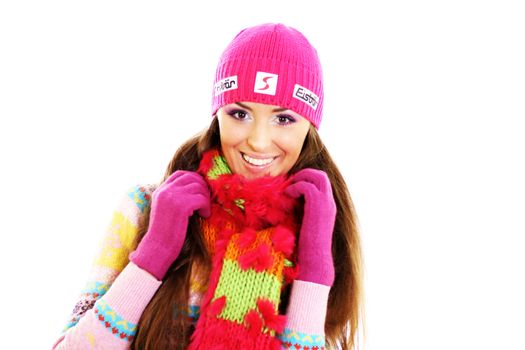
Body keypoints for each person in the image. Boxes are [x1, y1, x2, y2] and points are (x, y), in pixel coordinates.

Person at [52, 22, 364, 350]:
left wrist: (313, 273)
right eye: (239, 113)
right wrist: (152, 256)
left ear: (310, 126)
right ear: (218, 114)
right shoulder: (143, 208)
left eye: (283, 119)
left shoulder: (317, 227)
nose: (258, 141)